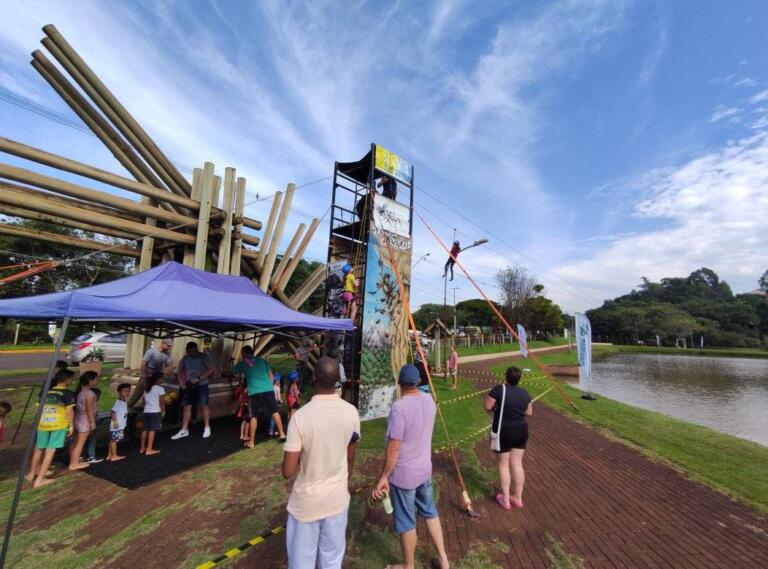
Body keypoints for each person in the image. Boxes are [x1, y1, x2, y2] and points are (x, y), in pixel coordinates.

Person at [282, 357, 360, 569]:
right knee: (332, 561)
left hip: (307, 502)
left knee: (301, 562)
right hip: (337, 499)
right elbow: (350, 454)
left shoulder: (300, 417)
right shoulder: (351, 412)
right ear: (337, 381)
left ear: (314, 378)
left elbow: (288, 471)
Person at [372, 365, 449, 569]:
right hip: (424, 470)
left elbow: (394, 446)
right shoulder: (429, 400)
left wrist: (384, 476)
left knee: (407, 522)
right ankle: (444, 559)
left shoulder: (400, 407)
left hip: (405, 475)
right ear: (418, 382)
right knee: (430, 511)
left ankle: (408, 565)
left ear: (400, 383)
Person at [483, 366, 532, 510]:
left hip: (503, 431)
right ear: (519, 379)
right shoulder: (525, 393)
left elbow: (487, 405)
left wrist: (496, 408)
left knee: (503, 465)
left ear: (506, 377)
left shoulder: (498, 389)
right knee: (517, 464)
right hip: (521, 431)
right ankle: (517, 497)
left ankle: (505, 500)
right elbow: (529, 412)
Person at [26, 369, 75, 487]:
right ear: (67, 380)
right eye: (72, 378)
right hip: (58, 425)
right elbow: (69, 412)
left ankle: (31, 474)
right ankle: (40, 480)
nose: (73, 380)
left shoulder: (46, 392)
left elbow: (38, 410)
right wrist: (71, 425)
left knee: (39, 449)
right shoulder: (68, 393)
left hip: (43, 424)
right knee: (50, 451)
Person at [232, 345, 286, 447]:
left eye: (242, 354)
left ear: (244, 353)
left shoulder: (243, 363)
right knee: (275, 411)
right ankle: (282, 434)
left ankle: (251, 442)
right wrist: (269, 386)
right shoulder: (262, 361)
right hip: (268, 390)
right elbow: (271, 375)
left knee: (254, 416)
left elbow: (232, 372)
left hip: (254, 392)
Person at [171, 341, 215, 440]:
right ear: (187, 351)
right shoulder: (185, 359)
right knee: (187, 406)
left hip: (202, 384)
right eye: (191, 351)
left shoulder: (203, 356)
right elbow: (180, 370)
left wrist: (199, 378)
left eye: (195, 350)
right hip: (189, 385)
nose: (194, 352)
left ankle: (207, 427)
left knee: (204, 405)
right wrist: (181, 383)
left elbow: (212, 369)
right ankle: (184, 429)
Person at [70, 371, 99, 471]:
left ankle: (74, 460)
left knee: (76, 441)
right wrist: (92, 422)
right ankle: (74, 463)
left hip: (78, 419)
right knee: (80, 442)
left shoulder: (80, 391)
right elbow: (89, 409)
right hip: (85, 421)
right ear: (90, 380)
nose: (97, 381)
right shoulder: (89, 394)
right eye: (96, 379)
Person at [140, 372, 165, 455]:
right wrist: (163, 412)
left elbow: (143, 402)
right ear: (158, 379)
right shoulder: (160, 389)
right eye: (162, 378)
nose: (163, 379)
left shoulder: (146, 388)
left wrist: (145, 409)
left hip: (146, 411)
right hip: (155, 411)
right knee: (152, 430)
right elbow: (162, 403)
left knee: (145, 429)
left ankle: (142, 447)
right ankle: (149, 449)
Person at [107, 383, 131, 462]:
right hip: (117, 425)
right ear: (119, 392)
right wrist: (115, 423)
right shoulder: (119, 402)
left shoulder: (123, 401)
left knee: (112, 440)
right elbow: (113, 412)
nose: (127, 393)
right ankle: (114, 455)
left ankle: (110, 455)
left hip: (120, 425)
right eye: (125, 391)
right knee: (114, 440)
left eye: (128, 391)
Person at [83, 387, 103, 464]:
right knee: (92, 440)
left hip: (86, 424)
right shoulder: (92, 405)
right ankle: (91, 456)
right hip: (91, 425)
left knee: (86, 440)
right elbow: (93, 415)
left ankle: (84, 456)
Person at [234, 375, 251, 444]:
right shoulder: (248, 388)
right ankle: (246, 436)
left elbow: (241, 398)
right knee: (247, 421)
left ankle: (241, 435)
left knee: (243, 421)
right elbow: (248, 398)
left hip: (242, 406)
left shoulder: (243, 388)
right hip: (246, 406)